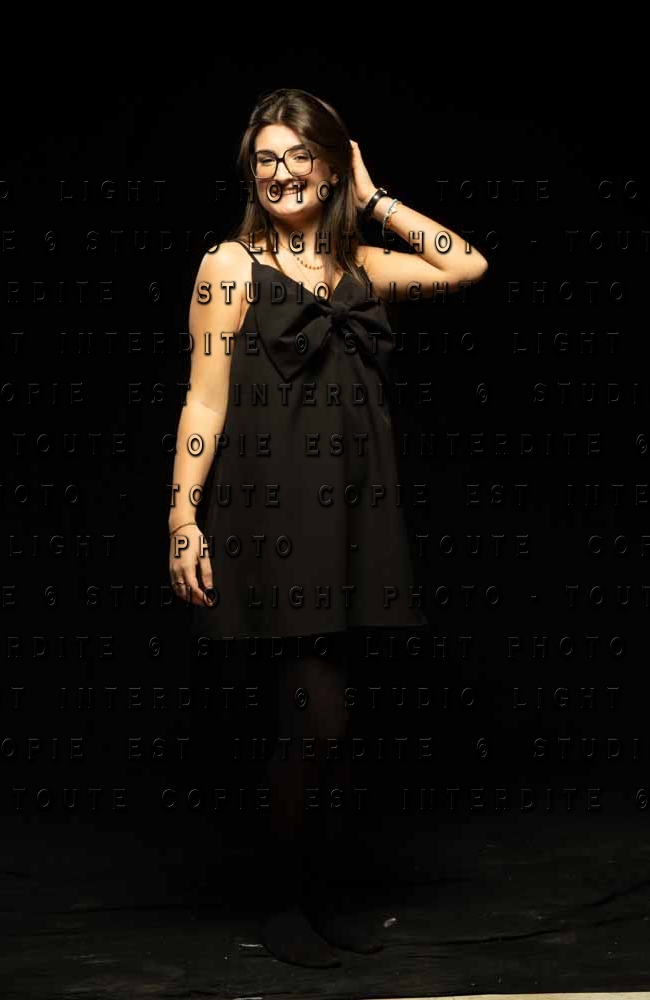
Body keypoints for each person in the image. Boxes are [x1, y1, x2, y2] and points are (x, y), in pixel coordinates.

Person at [167, 87, 488, 968]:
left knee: (337, 722)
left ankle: (317, 899)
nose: (280, 174)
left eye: (298, 156)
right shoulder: (229, 265)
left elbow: (466, 265)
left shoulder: (361, 266)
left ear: (331, 164)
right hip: (269, 518)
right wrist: (182, 515)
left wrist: (374, 197)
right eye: (264, 160)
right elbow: (204, 398)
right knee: (320, 717)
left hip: (354, 517)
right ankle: (282, 907)